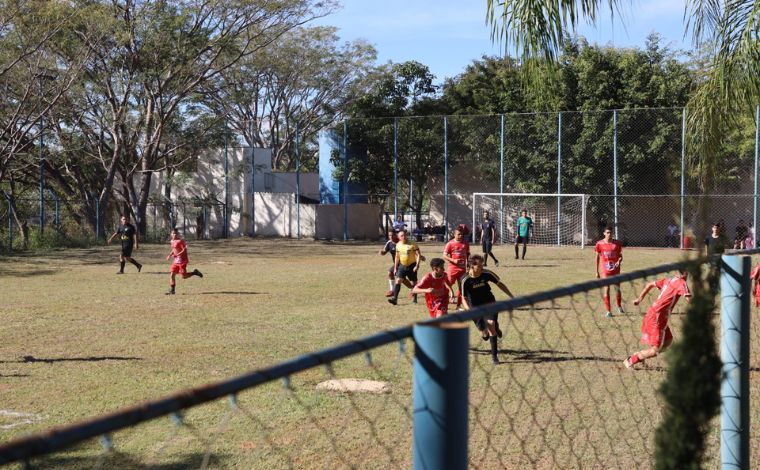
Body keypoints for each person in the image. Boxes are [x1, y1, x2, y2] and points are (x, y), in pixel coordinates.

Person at [623, 269, 691, 369]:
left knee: (668, 341)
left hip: (658, 316)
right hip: (656, 317)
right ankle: (631, 359)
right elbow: (689, 299)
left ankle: (642, 355)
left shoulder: (669, 280)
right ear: (686, 272)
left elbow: (650, 284)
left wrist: (639, 299)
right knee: (655, 350)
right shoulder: (682, 282)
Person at [462, 254, 515, 364]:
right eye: (479, 267)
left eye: (482, 266)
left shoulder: (487, 273)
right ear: (472, 266)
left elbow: (500, 284)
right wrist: (468, 309)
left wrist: (511, 296)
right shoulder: (465, 280)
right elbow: (463, 297)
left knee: (491, 325)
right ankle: (493, 328)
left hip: (489, 303)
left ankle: (494, 357)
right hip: (475, 307)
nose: (482, 268)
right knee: (484, 335)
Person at [595, 226, 624, 318]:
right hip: (605, 270)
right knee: (606, 289)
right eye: (607, 232)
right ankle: (608, 311)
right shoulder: (599, 244)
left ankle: (619, 306)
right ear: (604, 233)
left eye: (610, 232)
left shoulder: (617, 243)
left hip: (615, 270)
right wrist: (597, 271)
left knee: (617, 289)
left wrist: (619, 261)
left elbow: (620, 256)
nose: (609, 234)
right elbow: (597, 257)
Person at [388, 229, 421, 305]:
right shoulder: (398, 245)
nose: (404, 237)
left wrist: (417, 265)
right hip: (402, 266)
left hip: (412, 265)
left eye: (405, 235)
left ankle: (415, 299)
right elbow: (397, 257)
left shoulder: (412, 243)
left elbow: (418, 254)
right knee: (398, 281)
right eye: (402, 236)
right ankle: (395, 299)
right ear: (399, 237)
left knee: (414, 283)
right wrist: (395, 268)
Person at [165, 228, 203, 295]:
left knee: (184, 276)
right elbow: (174, 249)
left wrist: (177, 254)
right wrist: (170, 255)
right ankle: (172, 291)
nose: (175, 234)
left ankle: (195, 272)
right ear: (171, 234)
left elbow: (184, 250)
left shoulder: (180, 241)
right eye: (173, 233)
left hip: (182, 261)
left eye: (176, 233)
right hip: (176, 261)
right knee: (172, 275)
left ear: (178, 234)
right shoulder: (171, 241)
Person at [443, 227, 470, 308]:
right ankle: (444, 302)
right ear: (454, 234)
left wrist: (468, 263)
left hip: (462, 269)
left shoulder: (465, 243)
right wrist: (453, 260)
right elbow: (444, 255)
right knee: (447, 285)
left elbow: (468, 254)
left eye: (462, 234)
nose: (461, 235)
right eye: (459, 234)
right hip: (452, 268)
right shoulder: (450, 244)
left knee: (462, 287)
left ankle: (458, 306)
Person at [379, 229, 398, 297]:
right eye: (390, 235)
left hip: (405, 263)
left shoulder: (401, 242)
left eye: (392, 235)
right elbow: (384, 251)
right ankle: (392, 290)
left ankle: (412, 289)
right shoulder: (389, 243)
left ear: (396, 235)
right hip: (396, 263)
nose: (391, 236)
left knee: (402, 279)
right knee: (390, 272)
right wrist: (382, 252)